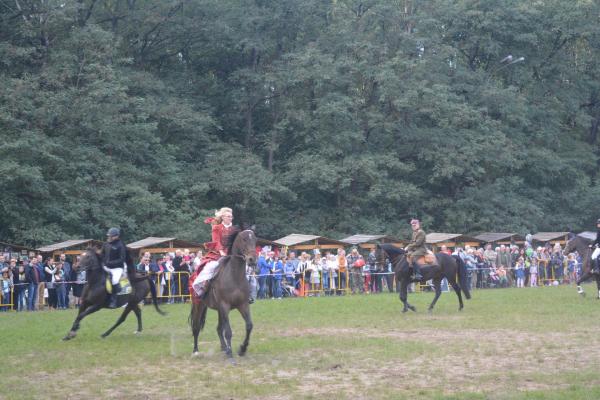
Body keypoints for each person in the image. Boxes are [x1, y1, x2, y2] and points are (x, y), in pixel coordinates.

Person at [192, 207, 237, 298]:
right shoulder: (216, 227)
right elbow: (216, 241)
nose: (230, 218)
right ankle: (203, 289)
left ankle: (245, 292)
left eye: (231, 217)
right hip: (217, 253)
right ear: (223, 217)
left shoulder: (234, 229)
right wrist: (221, 251)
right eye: (228, 216)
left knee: (244, 267)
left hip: (231, 254)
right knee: (210, 267)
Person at [103, 227, 127, 308]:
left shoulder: (120, 245)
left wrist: (110, 263)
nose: (109, 237)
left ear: (116, 236)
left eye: (111, 236)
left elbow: (122, 259)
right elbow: (102, 255)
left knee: (114, 280)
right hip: (106, 266)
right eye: (109, 236)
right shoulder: (106, 244)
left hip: (117, 268)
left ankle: (114, 301)